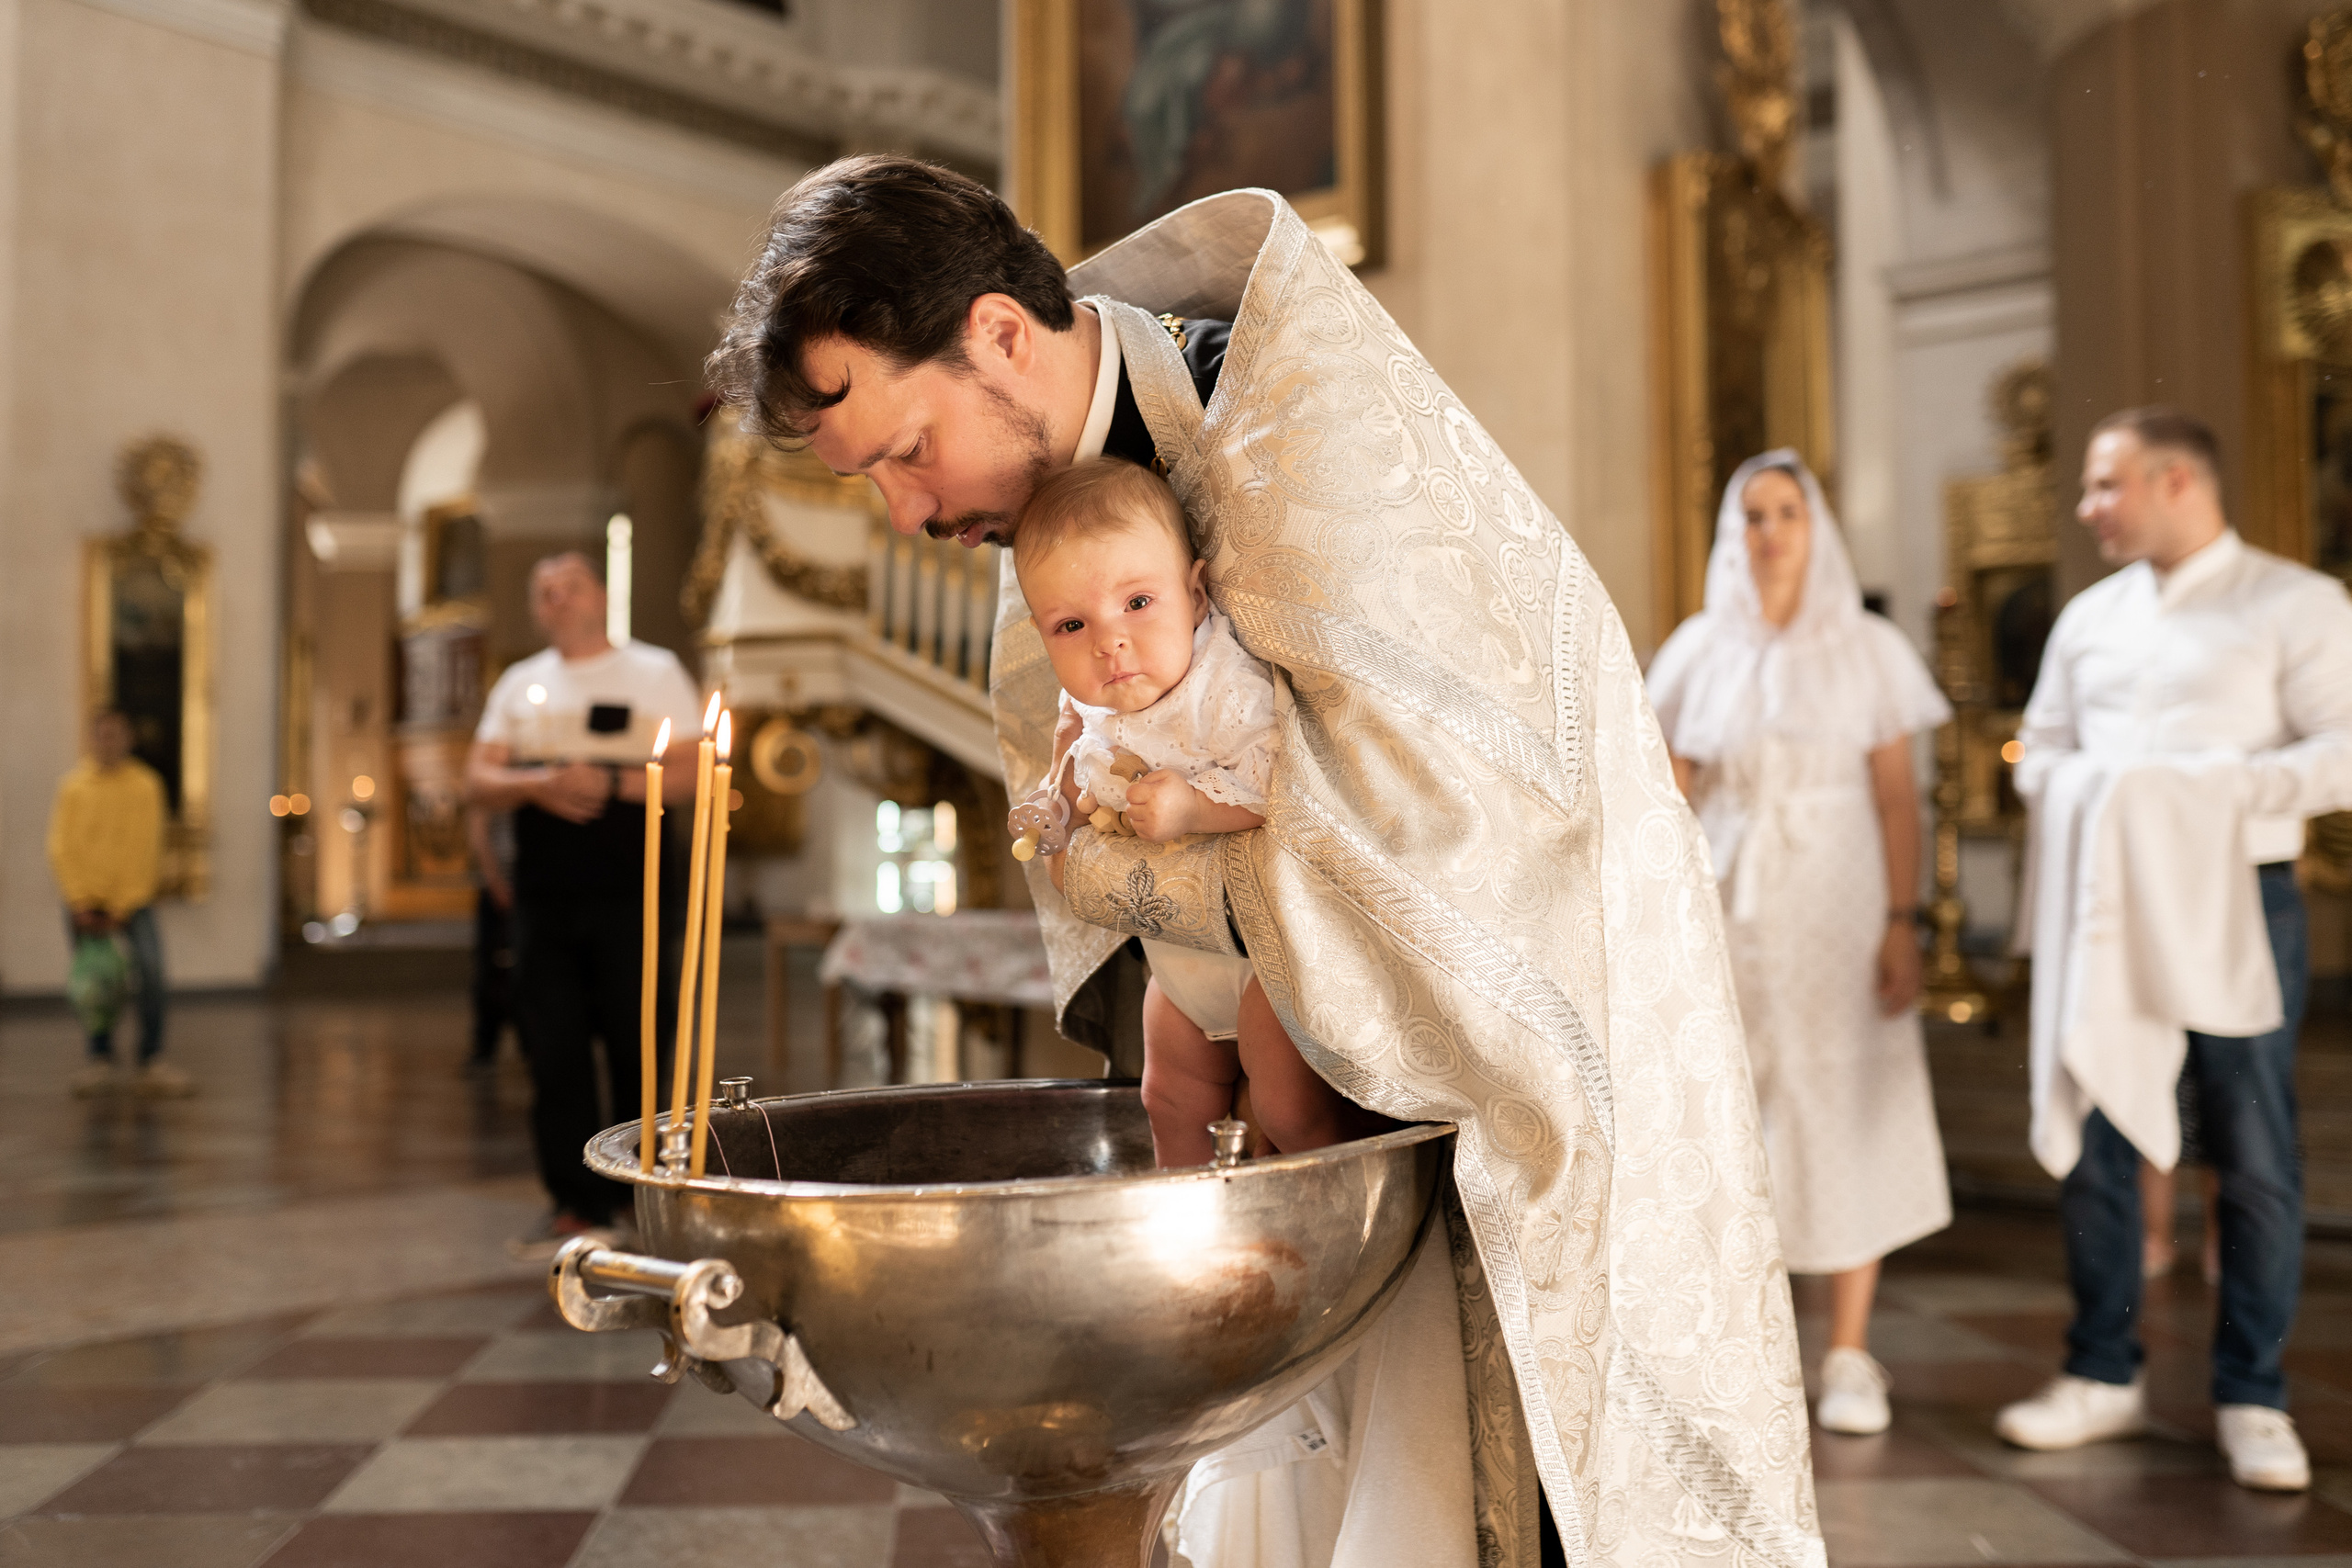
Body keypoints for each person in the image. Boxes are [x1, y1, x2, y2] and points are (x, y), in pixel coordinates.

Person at [706, 155, 1824, 1568]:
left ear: (997, 335)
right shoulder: (1071, 503)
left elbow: (1454, 836)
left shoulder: (1305, 437)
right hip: (1309, 1114)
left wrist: (1168, 869)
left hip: (1498, 1111)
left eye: (905, 452)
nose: (911, 515)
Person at [1996, 408, 2352, 1493]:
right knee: (2100, 1135)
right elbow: (2040, 749)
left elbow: (2341, 752)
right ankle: (2101, 1372)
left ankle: (2252, 1392)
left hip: (2236, 894)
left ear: (2174, 482)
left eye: (2104, 485)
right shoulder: (2092, 618)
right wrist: (2095, 793)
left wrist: (2198, 794)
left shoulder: (2293, 602)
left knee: (2250, 1148)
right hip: (2104, 904)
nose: (2085, 505)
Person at [1645, 451, 1954, 1438]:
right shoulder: (1698, 647)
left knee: (1840, 1102)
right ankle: (1750, 1343)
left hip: (1839, 903)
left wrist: (1903, 923)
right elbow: (1666, 793)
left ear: (1815, 528)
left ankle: (1850, 1352)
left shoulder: (1867, 649)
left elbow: (1899, 799)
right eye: (1751, 515)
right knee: (1731, 1105)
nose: (1768, 531)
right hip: (1727, 900)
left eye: (1785, 512)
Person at [1014, 457, 1384, 1166]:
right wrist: (1054, 804)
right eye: (1070, 624)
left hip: (1262, 957)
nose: (1108, 641)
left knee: (1288, 1106)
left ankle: (1332, 1198)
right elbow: (1072, 788)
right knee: (1168, 1097)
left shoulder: (1223, 689)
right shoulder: (1087, 709)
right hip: (1179, 960)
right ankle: (1189, 1235)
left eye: (1138, 603)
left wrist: (1192, 810)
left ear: (1197, 593)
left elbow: (1286, 789)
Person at [465, 552, 703, 1258]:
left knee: (637, 1040)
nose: (556, 599)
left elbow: (692, 770)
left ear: (600, 595)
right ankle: (574, 1200)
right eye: (544, 592)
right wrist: (539, 784)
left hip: (632, 880)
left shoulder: (654, 671)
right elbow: (478, 777)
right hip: (546, 891)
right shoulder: (520, 680)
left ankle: (640, 1195)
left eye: (569, 586)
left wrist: (605, 781)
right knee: (553, 1045)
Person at [46, 709, 192, 1098]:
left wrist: (122, 905)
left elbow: (145, 848)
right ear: (92, 740)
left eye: (116, 736)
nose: (108, 743)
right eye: (102, 736)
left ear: (129, 740)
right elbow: (62, 846)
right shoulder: (73, 787)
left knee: (152, 973)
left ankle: (151, 1059)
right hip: (84, 902)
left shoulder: (146, 786)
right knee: (95, 984)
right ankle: (100, 1059)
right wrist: (79, 899)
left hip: (133, 902)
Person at [465, 806, 517, 1074]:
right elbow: (479, 828)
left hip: (535, 889)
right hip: (497, 887)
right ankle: (484, 1046)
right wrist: (495, 881)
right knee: (490, 969)